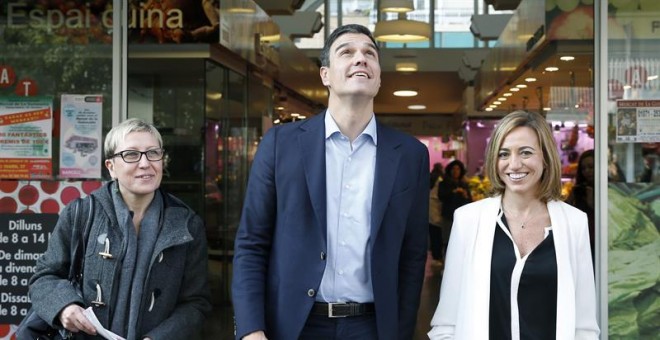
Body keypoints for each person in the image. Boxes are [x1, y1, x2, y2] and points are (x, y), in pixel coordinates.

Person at [232, 24, 429, 340]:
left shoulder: (410, 155)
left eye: (369, 53)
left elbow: (413, 254)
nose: (360, 59)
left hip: (372, 327)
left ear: (379, 78)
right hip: (293, 326)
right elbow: (252, 242)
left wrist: (402, 332)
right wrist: (251, 329)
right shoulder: (280, 144)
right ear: (325, 75)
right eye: (347, 52)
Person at [29, 118, 212, 339]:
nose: (145, 163)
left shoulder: (187, 224)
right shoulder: (82, 214)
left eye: (153, 153)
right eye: (131, 155)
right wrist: (64, 307)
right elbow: (45, 277)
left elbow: (196, 303)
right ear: (111, 167)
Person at [428, 111, 599, 339]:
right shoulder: (468, 220)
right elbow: (446, 323)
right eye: (504, 154)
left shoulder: (574, 222)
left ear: (545, 158)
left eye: (526, 153)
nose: (514, 164)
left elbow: (584, 326)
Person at [437, 160, 472, 258]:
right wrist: (453, 192)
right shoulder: (443, 183)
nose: (455, 171)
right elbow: (441, 196)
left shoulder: (464, 184)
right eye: (453, 169)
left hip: (462, 218)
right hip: (448, 216)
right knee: (448, 240)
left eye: (458, 169)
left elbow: (469, 200)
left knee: (461, 241)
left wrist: (465, 195)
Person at [566, 149, 595, 261]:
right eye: (583, 169)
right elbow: (567, 211)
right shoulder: (579, 189)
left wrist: (592, 203)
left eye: (591, 167)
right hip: (582, 240)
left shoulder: (610, 188)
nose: (587, 171)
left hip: (602, 238)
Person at [429, 163, 444, 263]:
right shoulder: (440, 179)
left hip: (430, 206)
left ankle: (436, 256)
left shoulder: (430, 177)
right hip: (436, 206)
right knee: (438, 234)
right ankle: (438, 256)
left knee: (433, 232)